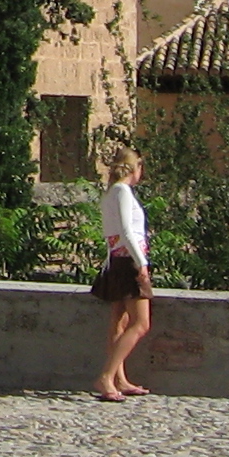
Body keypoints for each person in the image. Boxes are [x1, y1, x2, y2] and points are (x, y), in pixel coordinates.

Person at [89, 140, 151, 400]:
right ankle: (107, 376)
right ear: (134, 168)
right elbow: (127, 231)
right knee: (141, 323)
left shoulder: (111, 193)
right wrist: (141, 262)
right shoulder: (123, 192)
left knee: (120, 321)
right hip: (128, 261)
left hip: (116, 259)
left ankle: (119, 378)